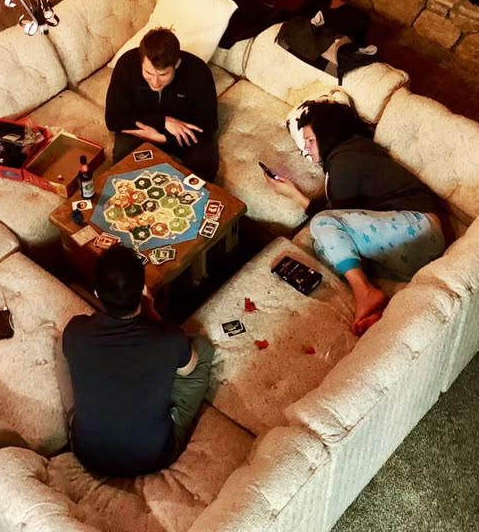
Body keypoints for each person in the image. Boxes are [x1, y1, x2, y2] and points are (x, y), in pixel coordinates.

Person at [264, 100, 445, 336]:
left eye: (310, 140)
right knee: (323, 246)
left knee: (321, 226)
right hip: (405, 251)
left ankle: (364, 292)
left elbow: (331, 218)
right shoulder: (347, 155)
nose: (306, 149)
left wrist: (294, 195)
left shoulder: (345, 160)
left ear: (327, 136)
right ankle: (380, 306)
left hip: (419, 229)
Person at [61, 246, 214, 477]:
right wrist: (152, 314)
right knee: (201, 349)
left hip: (87, 454)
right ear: (143, 291)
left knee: (64, 348)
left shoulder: (75, 330)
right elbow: (188, 369)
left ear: (96, 293)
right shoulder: (170, 338)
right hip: (153, 457)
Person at [105, 28, 219, 181]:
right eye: (148, 73)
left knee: (204, 161)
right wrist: (163, 121)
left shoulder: (199, 72)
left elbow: (209, 124)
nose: (155, 82)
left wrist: (163, 138)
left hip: (182, 133)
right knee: (123, 157)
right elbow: (113, 119)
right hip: (143, 127)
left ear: (176, 64)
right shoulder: (126, 64)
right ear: (141, 62)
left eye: (163, 74)